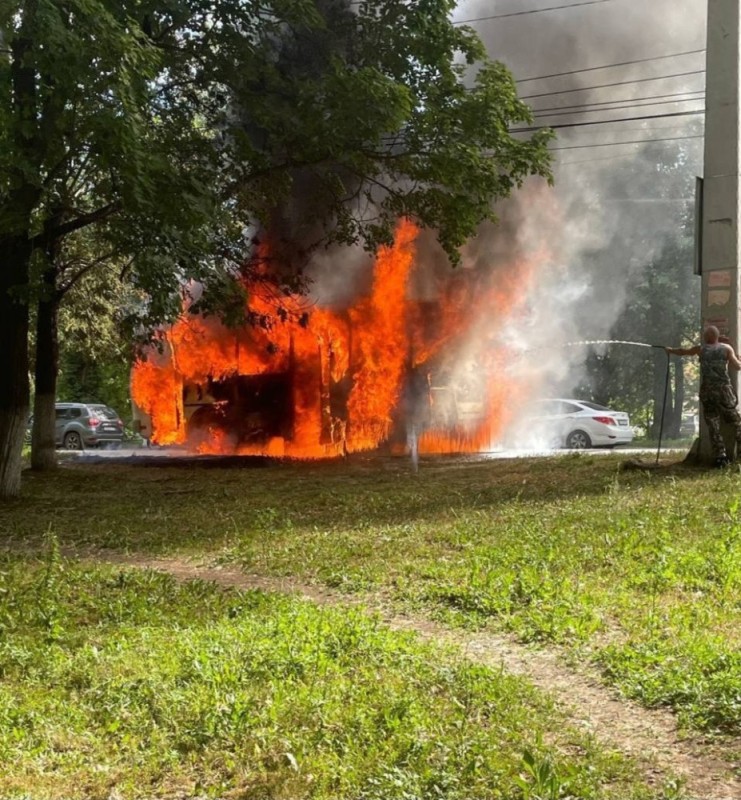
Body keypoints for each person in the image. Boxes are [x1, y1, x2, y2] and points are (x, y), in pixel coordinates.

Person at [666, 326, 741, 467]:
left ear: (706, 337)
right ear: (718, 336)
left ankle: (720, 457)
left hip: (708, 391)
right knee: (736, 421)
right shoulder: (726, 348)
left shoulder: (701, 349)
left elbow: (683, 352)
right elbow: (737, 367)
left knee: (713, 424)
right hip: (724, 390)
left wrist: (670, 350)